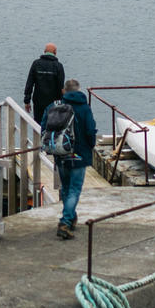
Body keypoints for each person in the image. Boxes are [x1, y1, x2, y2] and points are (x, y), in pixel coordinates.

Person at [54, 80, 97, 240]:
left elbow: (46, 127)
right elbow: (90, 130)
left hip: (62, 154)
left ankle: (70, 218)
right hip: (78, 154)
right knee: (74, 190)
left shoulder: (57, 107)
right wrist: (90, 146)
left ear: (64, 91)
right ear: (78, 90)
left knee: (66, 189)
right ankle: (65, 222)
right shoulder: (84, 108)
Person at [23, 42, 66, 125]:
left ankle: (39, 137)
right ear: (55, 53)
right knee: (52, 124)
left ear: (44, 51)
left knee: (38, 124)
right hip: (53, 102)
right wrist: (62, 103)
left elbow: (30, 83)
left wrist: (27, 101)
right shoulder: (58, 66)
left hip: (38, 101)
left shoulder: (36, 64)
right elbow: (61, 86)